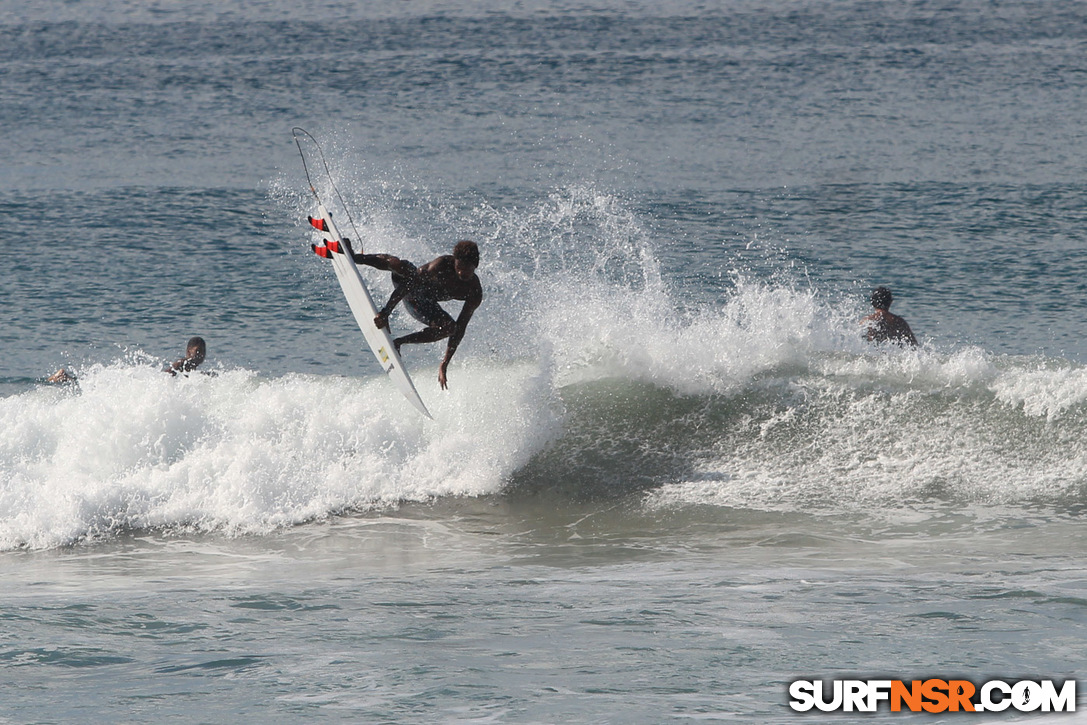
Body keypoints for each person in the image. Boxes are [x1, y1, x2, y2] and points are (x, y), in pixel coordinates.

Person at [334, 240, 482, 390]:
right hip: (407, 288)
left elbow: (461, 328)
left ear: (475, 266)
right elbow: (410, 282)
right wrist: (386, 313)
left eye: (467, 269)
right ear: (454, 262)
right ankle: (354, 257)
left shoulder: (474, 292)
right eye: (459, 267)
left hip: (421, 305)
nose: (461, 272)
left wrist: (445, 362)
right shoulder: (442, 264)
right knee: (398, 264)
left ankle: (399, 342)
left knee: (451, 328)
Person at [45, 336, 207, 383]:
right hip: (149, 384)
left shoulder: (191, 368)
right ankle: (66, 377)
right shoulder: (183, 363)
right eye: (197, 352)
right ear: (188, 352)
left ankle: (68, 378)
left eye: (203, 352)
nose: (200, 356)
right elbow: (171, 371)